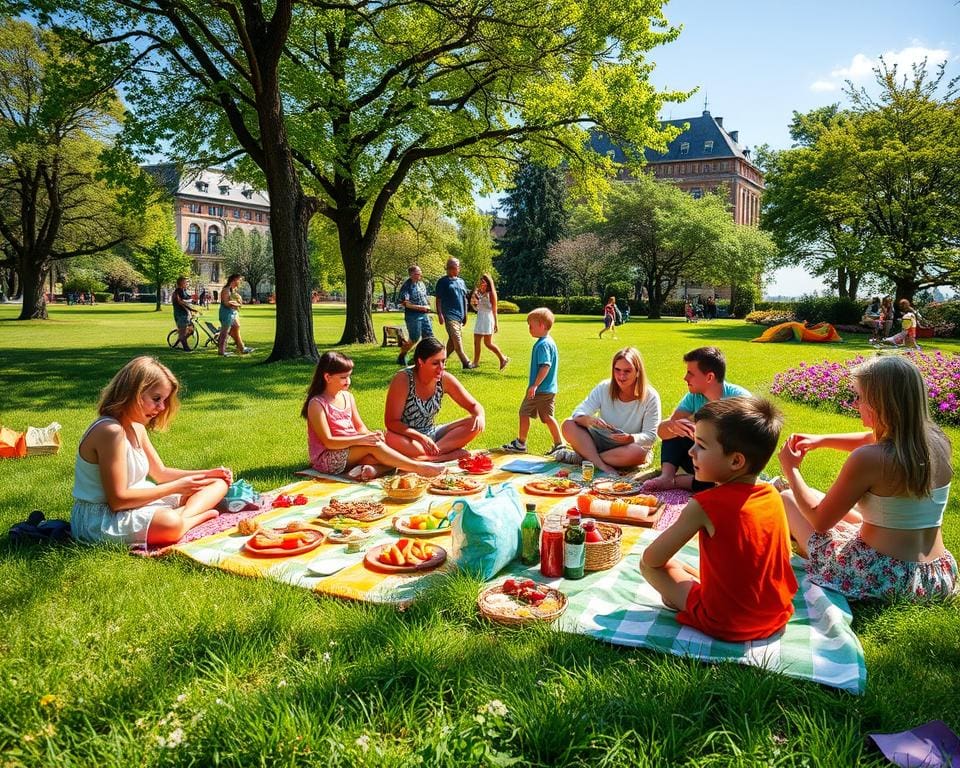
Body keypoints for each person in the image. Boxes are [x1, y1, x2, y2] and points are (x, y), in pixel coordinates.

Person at [778, 355, 957, 601]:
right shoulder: (936, 441)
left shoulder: (870, 458)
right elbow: (872, 438)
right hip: (936, 574)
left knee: (788, 498)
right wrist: (821, 440)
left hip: (884, 576)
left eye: (859, 397)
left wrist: (792, 469)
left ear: (878, 404)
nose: (855, 404)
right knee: (850, 515)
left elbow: (820, 521)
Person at [641, 397, 797, 641]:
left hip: (728, 622)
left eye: (701, 446)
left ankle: (690, 600)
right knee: (681, 566)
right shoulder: (772, 494)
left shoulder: (705, 504)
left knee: (651, 567)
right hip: (777, 613)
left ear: (736, 461)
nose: (691, 452)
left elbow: (652, 558)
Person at [71, 356, 231, 547]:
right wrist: (177, 486)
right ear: (132, 392)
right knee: (168, 523)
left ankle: (183, 518)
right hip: (102, 519)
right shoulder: (109, 431)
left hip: (138, 502)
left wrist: (207, 474)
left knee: (217, 483)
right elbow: (118, 500)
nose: (162, 407)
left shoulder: (136, 427)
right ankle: (184, 521)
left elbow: (161, 473)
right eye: (156, 399)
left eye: (164, 400)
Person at [304, 351, 443, 479]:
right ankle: (419, 467)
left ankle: (371, 470)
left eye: (349, 376)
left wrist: (372, 435)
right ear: (327, 377)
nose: (348, 381)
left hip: (349, 449)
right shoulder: (317, 404)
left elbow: (360, 428)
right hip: (327, 458)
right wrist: (363, 440)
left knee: (385, 451)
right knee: (375, 448)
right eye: (343, 377)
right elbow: (329, 442)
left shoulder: (347, 397)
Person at [644, 346, 750, 491]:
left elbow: (746, 448)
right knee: (677, 427)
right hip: (702, 460)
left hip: (729, 465)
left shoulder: (739, 400)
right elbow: (662, 432)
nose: (685, 378)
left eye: (690, 373)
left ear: (709, 377)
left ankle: (682, 482)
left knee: (722, 486)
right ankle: (666, 477)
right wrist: (673, 426)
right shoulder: (694, 396)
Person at [557, 347, 662, 473]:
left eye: (627, 371)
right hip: (601, 440)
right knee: (568, 424)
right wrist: (588, 420)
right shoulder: (604, 388)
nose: (621, 376)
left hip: (628, 447)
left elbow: (651, 436)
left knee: (639, 453)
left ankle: (584, 458)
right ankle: (602, 465)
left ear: (638, 372)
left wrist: (631, 438)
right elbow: (578, 413)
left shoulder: (650, 396)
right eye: (617, 370)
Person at [385, 337, 485, 462]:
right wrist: (420, 437)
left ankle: (428, 458)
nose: (441, 367)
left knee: (474, 423)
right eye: (435, 363)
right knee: (389, 438)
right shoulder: (403, 379)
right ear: (420, 361)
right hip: (408, 438)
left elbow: (474, 406)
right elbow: (391, 422)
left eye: (444, 361)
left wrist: (480, 416)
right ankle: (443, 455)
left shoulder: (444, 379)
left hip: (433, 435)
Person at [502, 308, 564, 455]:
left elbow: (545, 366)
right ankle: (556, 444)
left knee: (533, 414)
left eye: (531, 325)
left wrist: (535, 385)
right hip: (546, 389)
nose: (529, 329)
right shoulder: (547, 342)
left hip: (541, 390)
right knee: (540, 416)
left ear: (542, 325)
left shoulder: (543, 345)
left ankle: (524, 443)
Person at [435, 257, 474, 369]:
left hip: (460, 315)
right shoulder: (442, 282)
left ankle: (442, 361)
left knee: (452, 340)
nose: (452, 269)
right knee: (457, 338)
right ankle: (465, 362)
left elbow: (465, 299)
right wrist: (440, 314)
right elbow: (438, 299)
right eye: (450, 267)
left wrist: (465, 314)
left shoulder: (461, 282)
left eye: (454, 267)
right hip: (449, 314)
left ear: (458, 268)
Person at [395, 265, 433, 366]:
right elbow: (406, 304)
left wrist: (428, 306)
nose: (419, 275)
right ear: (411, 274)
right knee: (415, 338)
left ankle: (419, 358)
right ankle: (402, 355)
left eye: (420, 273)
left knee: (428, 337)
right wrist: (422, 308)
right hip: (413, 315)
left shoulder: (421, 284)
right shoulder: (406, 286)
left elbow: (424, 298)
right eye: (417, 273)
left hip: (424, 314)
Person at [470, 273, 509, 370]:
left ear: (487, 283)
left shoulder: (491, 294)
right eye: (481, 281)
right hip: (480, 317)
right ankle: (475, 362)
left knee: (488, 343)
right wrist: (474, 303)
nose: (481, 283)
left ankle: (502, 358)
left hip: (487, 318)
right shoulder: (479, 292)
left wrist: (496, 323)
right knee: (476, 341)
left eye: (483, 282)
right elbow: (476, 307)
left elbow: (494, 310)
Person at [218, 274, 252, 356]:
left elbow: (234, 301)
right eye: (239, 280)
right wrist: (237, 304)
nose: (240, 282)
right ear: (234, 280)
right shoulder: (226, 290)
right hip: (226, 313)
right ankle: (221, 351)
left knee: (236, 327)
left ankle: (241, 348)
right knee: (225, 333)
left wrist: (238, 303)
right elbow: (226, 303)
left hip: (233, 312)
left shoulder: (233, 290)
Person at [172, 276, 194, 351]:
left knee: (191, 330)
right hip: (181, 315)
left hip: (185, 314)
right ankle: (186, 348)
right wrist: (191, 309)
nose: (186, 283)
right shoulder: (178, 291)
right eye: (185, 282)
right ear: (181, 283)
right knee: (183, 333)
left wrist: (192, 298)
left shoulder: (183, 291)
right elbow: (181, 302)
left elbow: (188, 298)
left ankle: (178, 343)